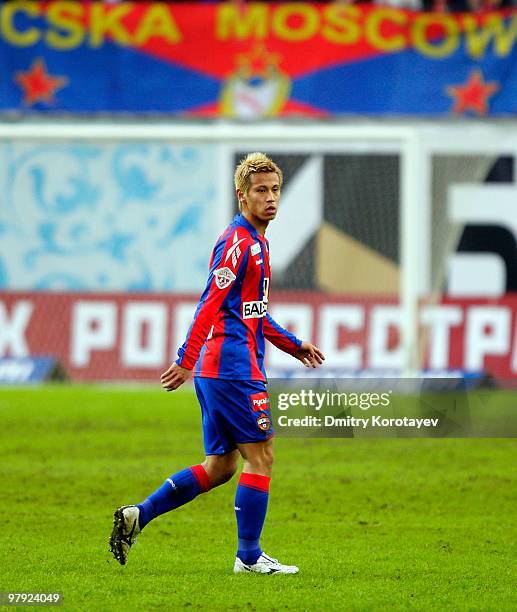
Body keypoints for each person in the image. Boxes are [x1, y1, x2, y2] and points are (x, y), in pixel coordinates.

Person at [109, 152, 325, 574]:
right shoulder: (237, 242)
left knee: (222, 466)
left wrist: (292, 344)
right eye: (261, 191)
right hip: (232, 370)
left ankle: (139, 514)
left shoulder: (258, 241)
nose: (271, 198)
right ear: (241, 195)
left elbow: (253, 312)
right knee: (261, 457)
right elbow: (211, 302)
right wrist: (185, 359)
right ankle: (248, 557)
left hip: (222, 370)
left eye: (275, 189)